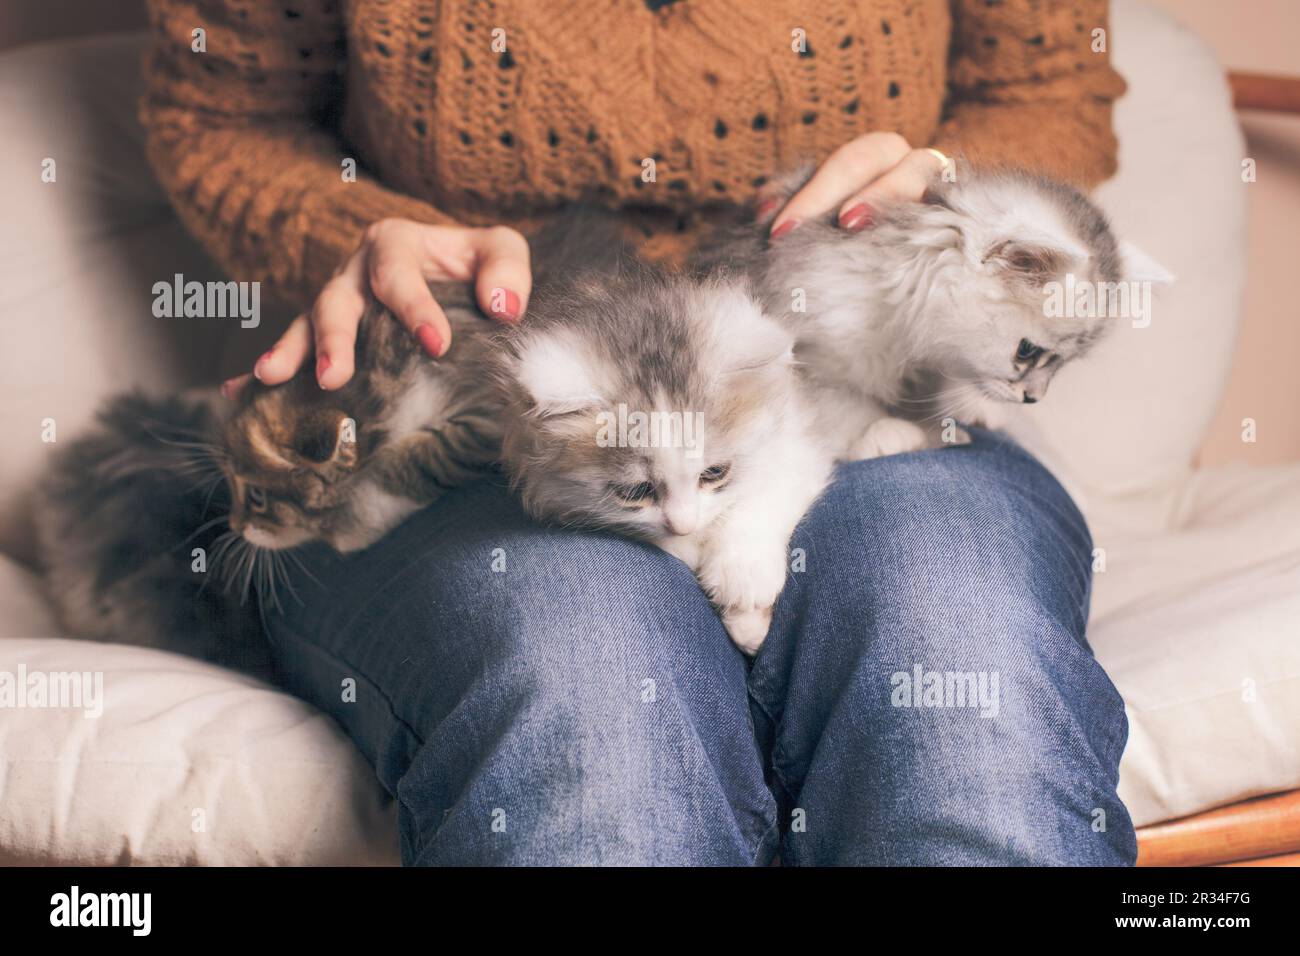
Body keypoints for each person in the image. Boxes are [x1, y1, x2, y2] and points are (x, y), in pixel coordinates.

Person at [140, 0, 1136, 865]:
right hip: (477, 415)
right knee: (586, 685)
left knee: (958, 654)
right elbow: (221, 115)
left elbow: (1049, 84)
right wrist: (383, 251)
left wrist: (963, 212)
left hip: (867, 387)